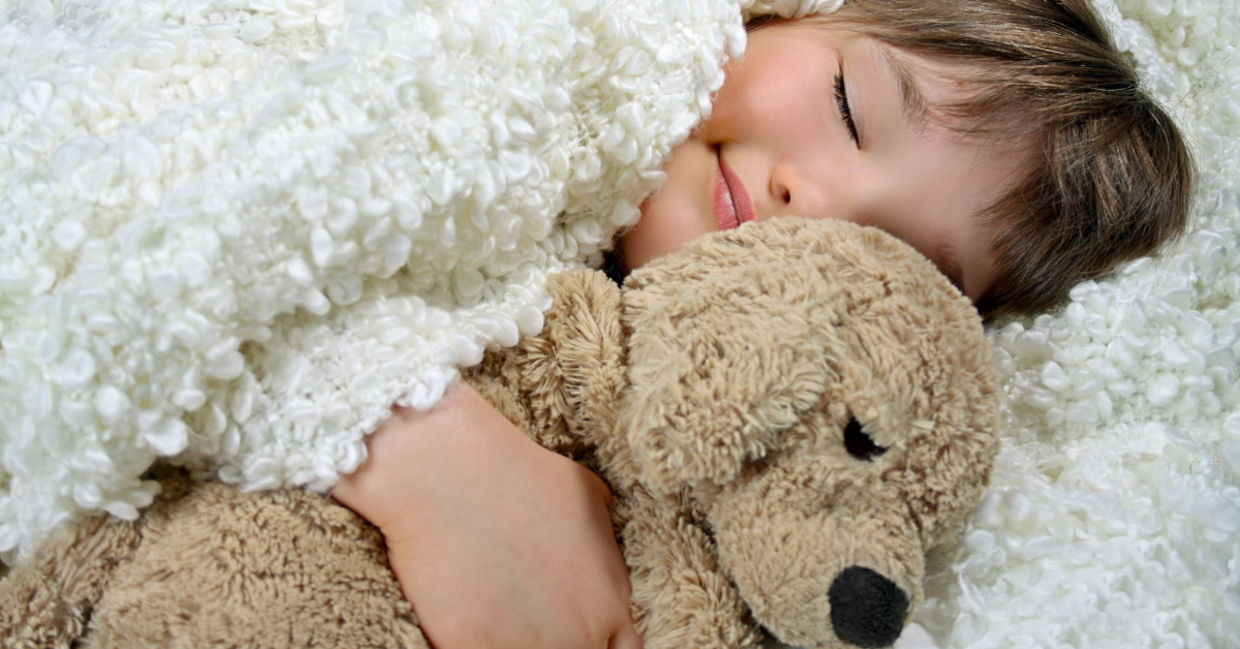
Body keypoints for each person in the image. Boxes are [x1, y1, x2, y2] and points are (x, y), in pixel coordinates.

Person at [332, 1, 1193, 648]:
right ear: (793, 9)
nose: (812, 203)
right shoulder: (527, 58)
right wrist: (420, 438)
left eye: (883, 248)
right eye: (853, 108)